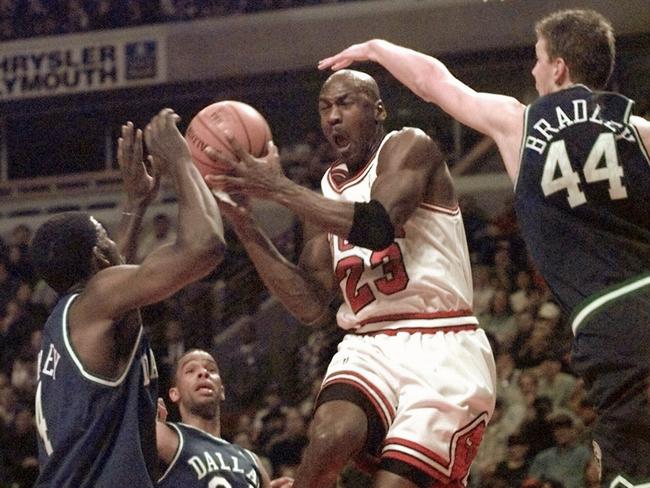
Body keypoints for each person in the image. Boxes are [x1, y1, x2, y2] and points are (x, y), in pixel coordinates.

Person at [318, 8, 650, 485]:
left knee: (626, 469)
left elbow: (438, 82)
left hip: (607, 320)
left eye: (538, 60)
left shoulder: (521, 125)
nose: (533, 71)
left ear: (557, 68)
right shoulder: (638, 131)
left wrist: (377, 50)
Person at [204, 69, 496, 487]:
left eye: (344, 103)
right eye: (325, 108)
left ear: (378, 110)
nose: (333, 117)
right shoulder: (324, 194)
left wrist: (280, 188)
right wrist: (245, 223)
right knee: (328, 437)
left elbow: (377, 226)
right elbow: (309, 305)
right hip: (369, 343)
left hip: (443, 343)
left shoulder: (410, 147)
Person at [31, 110, 226, 487]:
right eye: (104, 235)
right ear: (96, 260)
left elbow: (117, 270)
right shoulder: (96, 301)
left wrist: (136, 201)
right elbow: (206, 247)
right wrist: (181, 160)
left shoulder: (74, 318)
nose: (112, 242)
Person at [156, 349, 283, 488]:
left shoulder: (251, 459)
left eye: (211, 369)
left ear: (222, 391)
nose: (203, 373)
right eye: (190, 370)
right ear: (175, 393)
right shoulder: (168, 435)